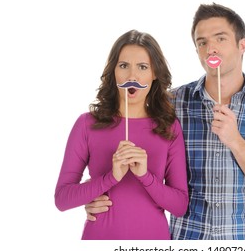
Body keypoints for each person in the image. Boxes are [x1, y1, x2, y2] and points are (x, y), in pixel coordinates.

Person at [85, 3, 245, 240]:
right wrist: (96, 196)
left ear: (242, 45)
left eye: (220, 39)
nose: (210, 49)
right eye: (202, 42)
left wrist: (235, 141)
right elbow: (133, 157)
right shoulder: (170, 104)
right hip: (186, 240)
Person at [54, 30, 188, 240]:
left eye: (142, 67)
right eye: (124, 65)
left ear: (154, 73)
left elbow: (179, 205)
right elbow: (62, 199)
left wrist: (145, 176)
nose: (132, 76)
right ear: (114, 71)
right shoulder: (87, 124)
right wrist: (111, 178)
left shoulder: (169, 128)